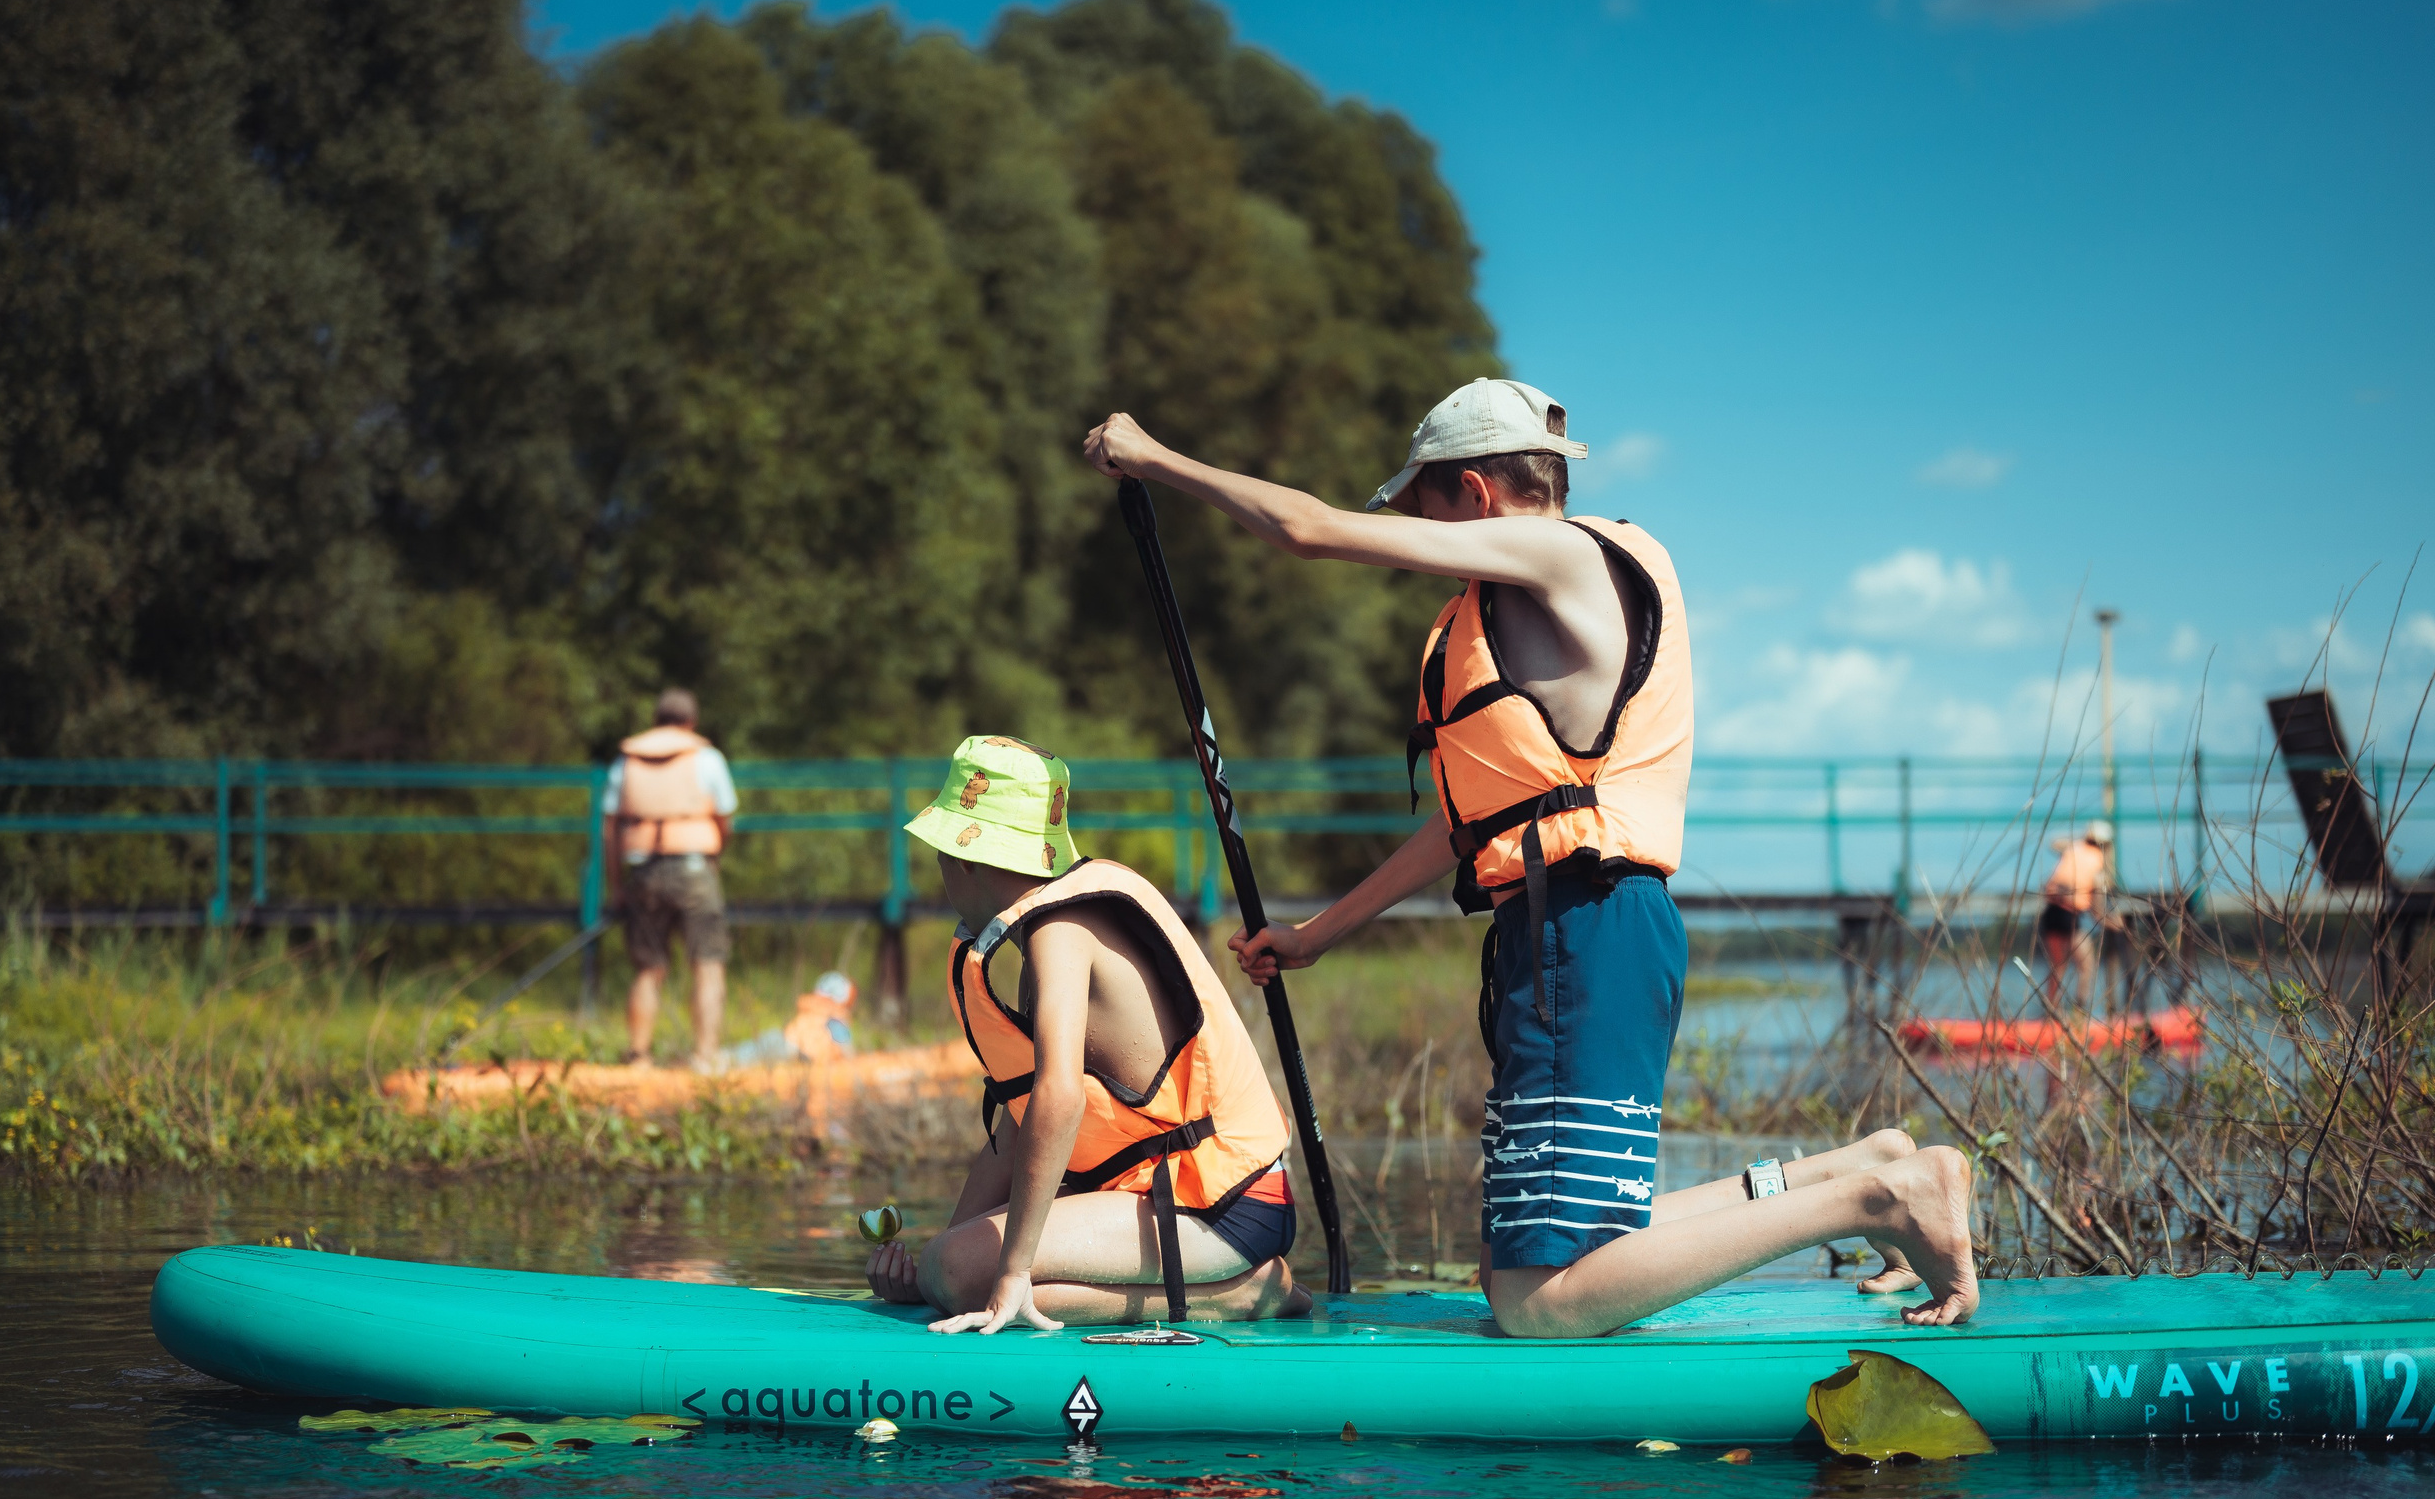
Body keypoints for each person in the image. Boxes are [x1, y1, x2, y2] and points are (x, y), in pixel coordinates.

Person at [1083, 379, 1978, 1334]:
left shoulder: (1551, 553)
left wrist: (1153, 458)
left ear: (1471, 493)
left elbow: (1304, 528)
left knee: (1539, 1305)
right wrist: (1318, 934)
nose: (1422, 537)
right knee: (1530, 1266)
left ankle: (1884, 1201)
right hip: (1578, 931)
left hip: (1585, 935)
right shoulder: (1542, 603)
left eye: (1421, 504)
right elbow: (1471, 821)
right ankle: (1853, 1170)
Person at [864, 735, 1311, 1331]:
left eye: (941, 854)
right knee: (952, 1268)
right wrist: (934, 1268)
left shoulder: (1059, 931)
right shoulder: (1046, 927)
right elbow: (1021, 1124)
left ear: (965, 857)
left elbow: (1059, 1097)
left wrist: (1003, 1271)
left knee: (960, 1271)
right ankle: (967, 1274)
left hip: (1224, 1206)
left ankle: (1243, 1294)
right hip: (1177, 1199)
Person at [603, 690, 737, 1071]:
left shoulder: (624, 763)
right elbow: (725, 818)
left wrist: (616, 887)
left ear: (656, 718)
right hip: (695, 866)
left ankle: (639, 1056)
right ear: (691, 722)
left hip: (643, 868)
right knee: (708, 964)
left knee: (648, 968)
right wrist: (715, 854)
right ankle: (705, 1056)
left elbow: (609, 830)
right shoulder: (707, 758)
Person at [2040, 821, 2118, 1016]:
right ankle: (2079, 1013)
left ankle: (2051, 1012)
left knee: (2058, 965)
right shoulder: (2098, 863)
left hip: (2050, 912)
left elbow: (2053, 842)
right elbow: (2097, 910)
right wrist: (2115, 924)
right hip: (2070, 915)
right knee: (2086, 965)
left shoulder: (2073, 849)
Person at [726, 971, 859, 1067]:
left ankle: (721, 1059)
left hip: (784, 1042)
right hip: (790, 1049)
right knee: (750, 1052)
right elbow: (846, 1049)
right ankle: (721, 1060)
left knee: (751, 1050)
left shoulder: (814, 1008)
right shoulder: (836, 1018)